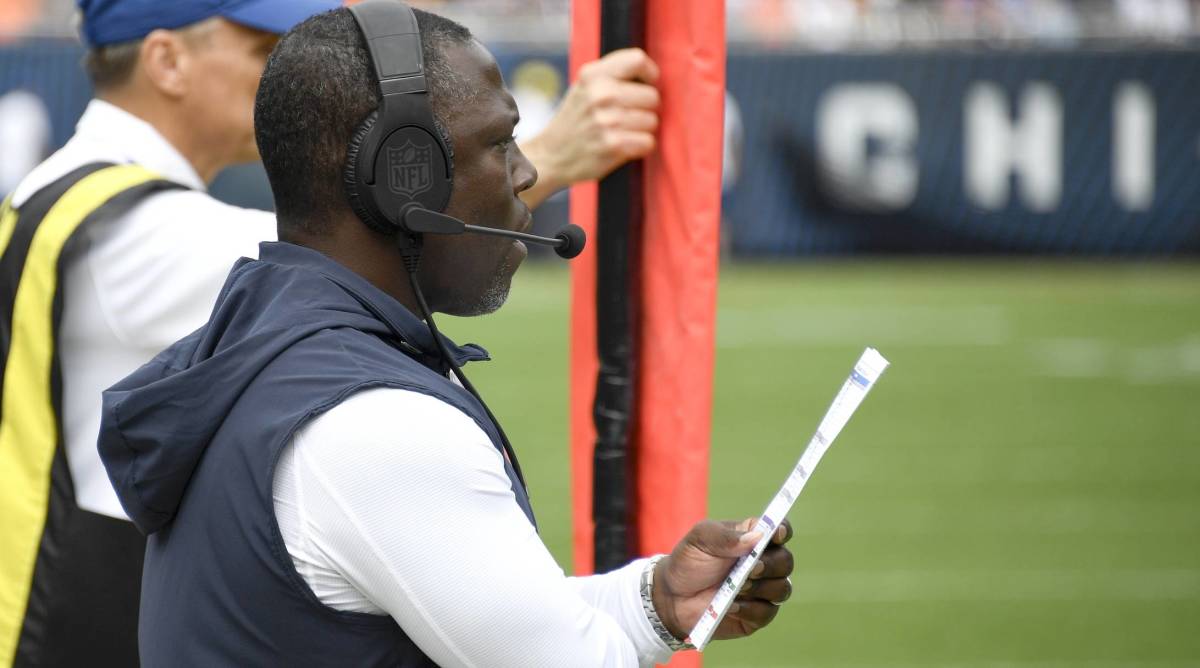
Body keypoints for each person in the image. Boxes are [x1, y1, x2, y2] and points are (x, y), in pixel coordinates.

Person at [95, 4, 795, 666]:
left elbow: (492, 615)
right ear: (404, 180)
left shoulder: (271, 342)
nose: (525, 175)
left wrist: (655, 603)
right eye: (500, 142)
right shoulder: (375, 423)